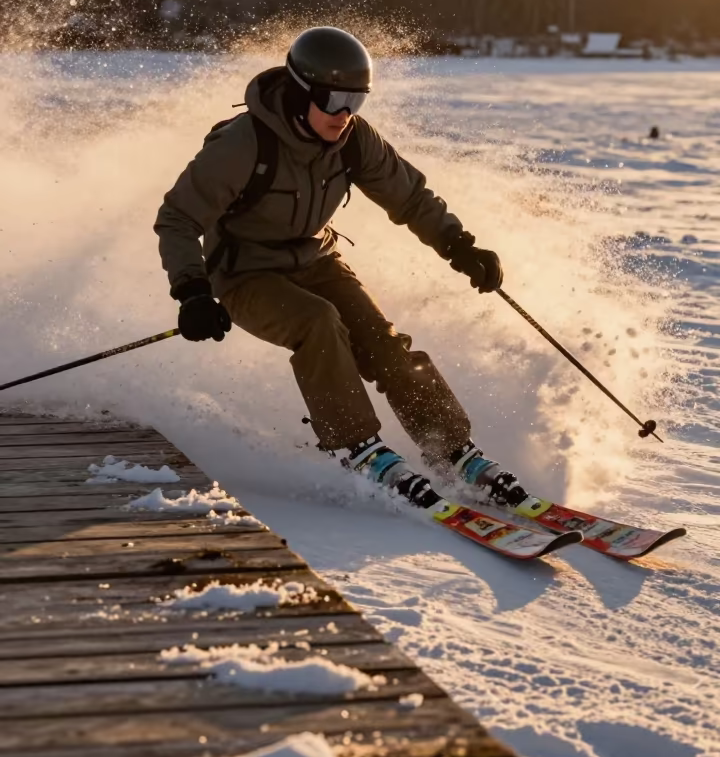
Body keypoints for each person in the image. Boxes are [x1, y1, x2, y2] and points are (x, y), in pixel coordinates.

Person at [155, 27, 527, 511]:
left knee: (381, 339)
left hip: (315, 258)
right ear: (301, 91)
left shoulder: (353, 140)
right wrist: (193, 292)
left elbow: (410, 197)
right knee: (318, 322)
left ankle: (453, 450)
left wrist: (461, 246)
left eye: (357, 100)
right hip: (246, 274)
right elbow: (178, 219)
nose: (345, 114)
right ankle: (359, 449)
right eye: (334, 99)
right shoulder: (244, 144)